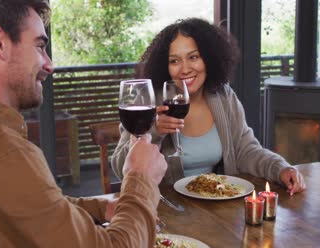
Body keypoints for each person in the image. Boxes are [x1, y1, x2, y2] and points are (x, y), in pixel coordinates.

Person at [0, 0, 167, 248]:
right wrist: (140, 180)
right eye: (40, 46)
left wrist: (102, 208)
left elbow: (32, 205)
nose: (49, 65)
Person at [111, 18, 305, 195]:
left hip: (215, 209)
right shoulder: (149, 101)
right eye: (174, 61)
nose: (185, 68)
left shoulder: (223, 96)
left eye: (193, 57)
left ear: (209, 58)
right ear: (165, 65)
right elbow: (121, 168)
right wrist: (152, 132)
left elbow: (246, 151)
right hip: (161, 211)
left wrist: (280, 168)